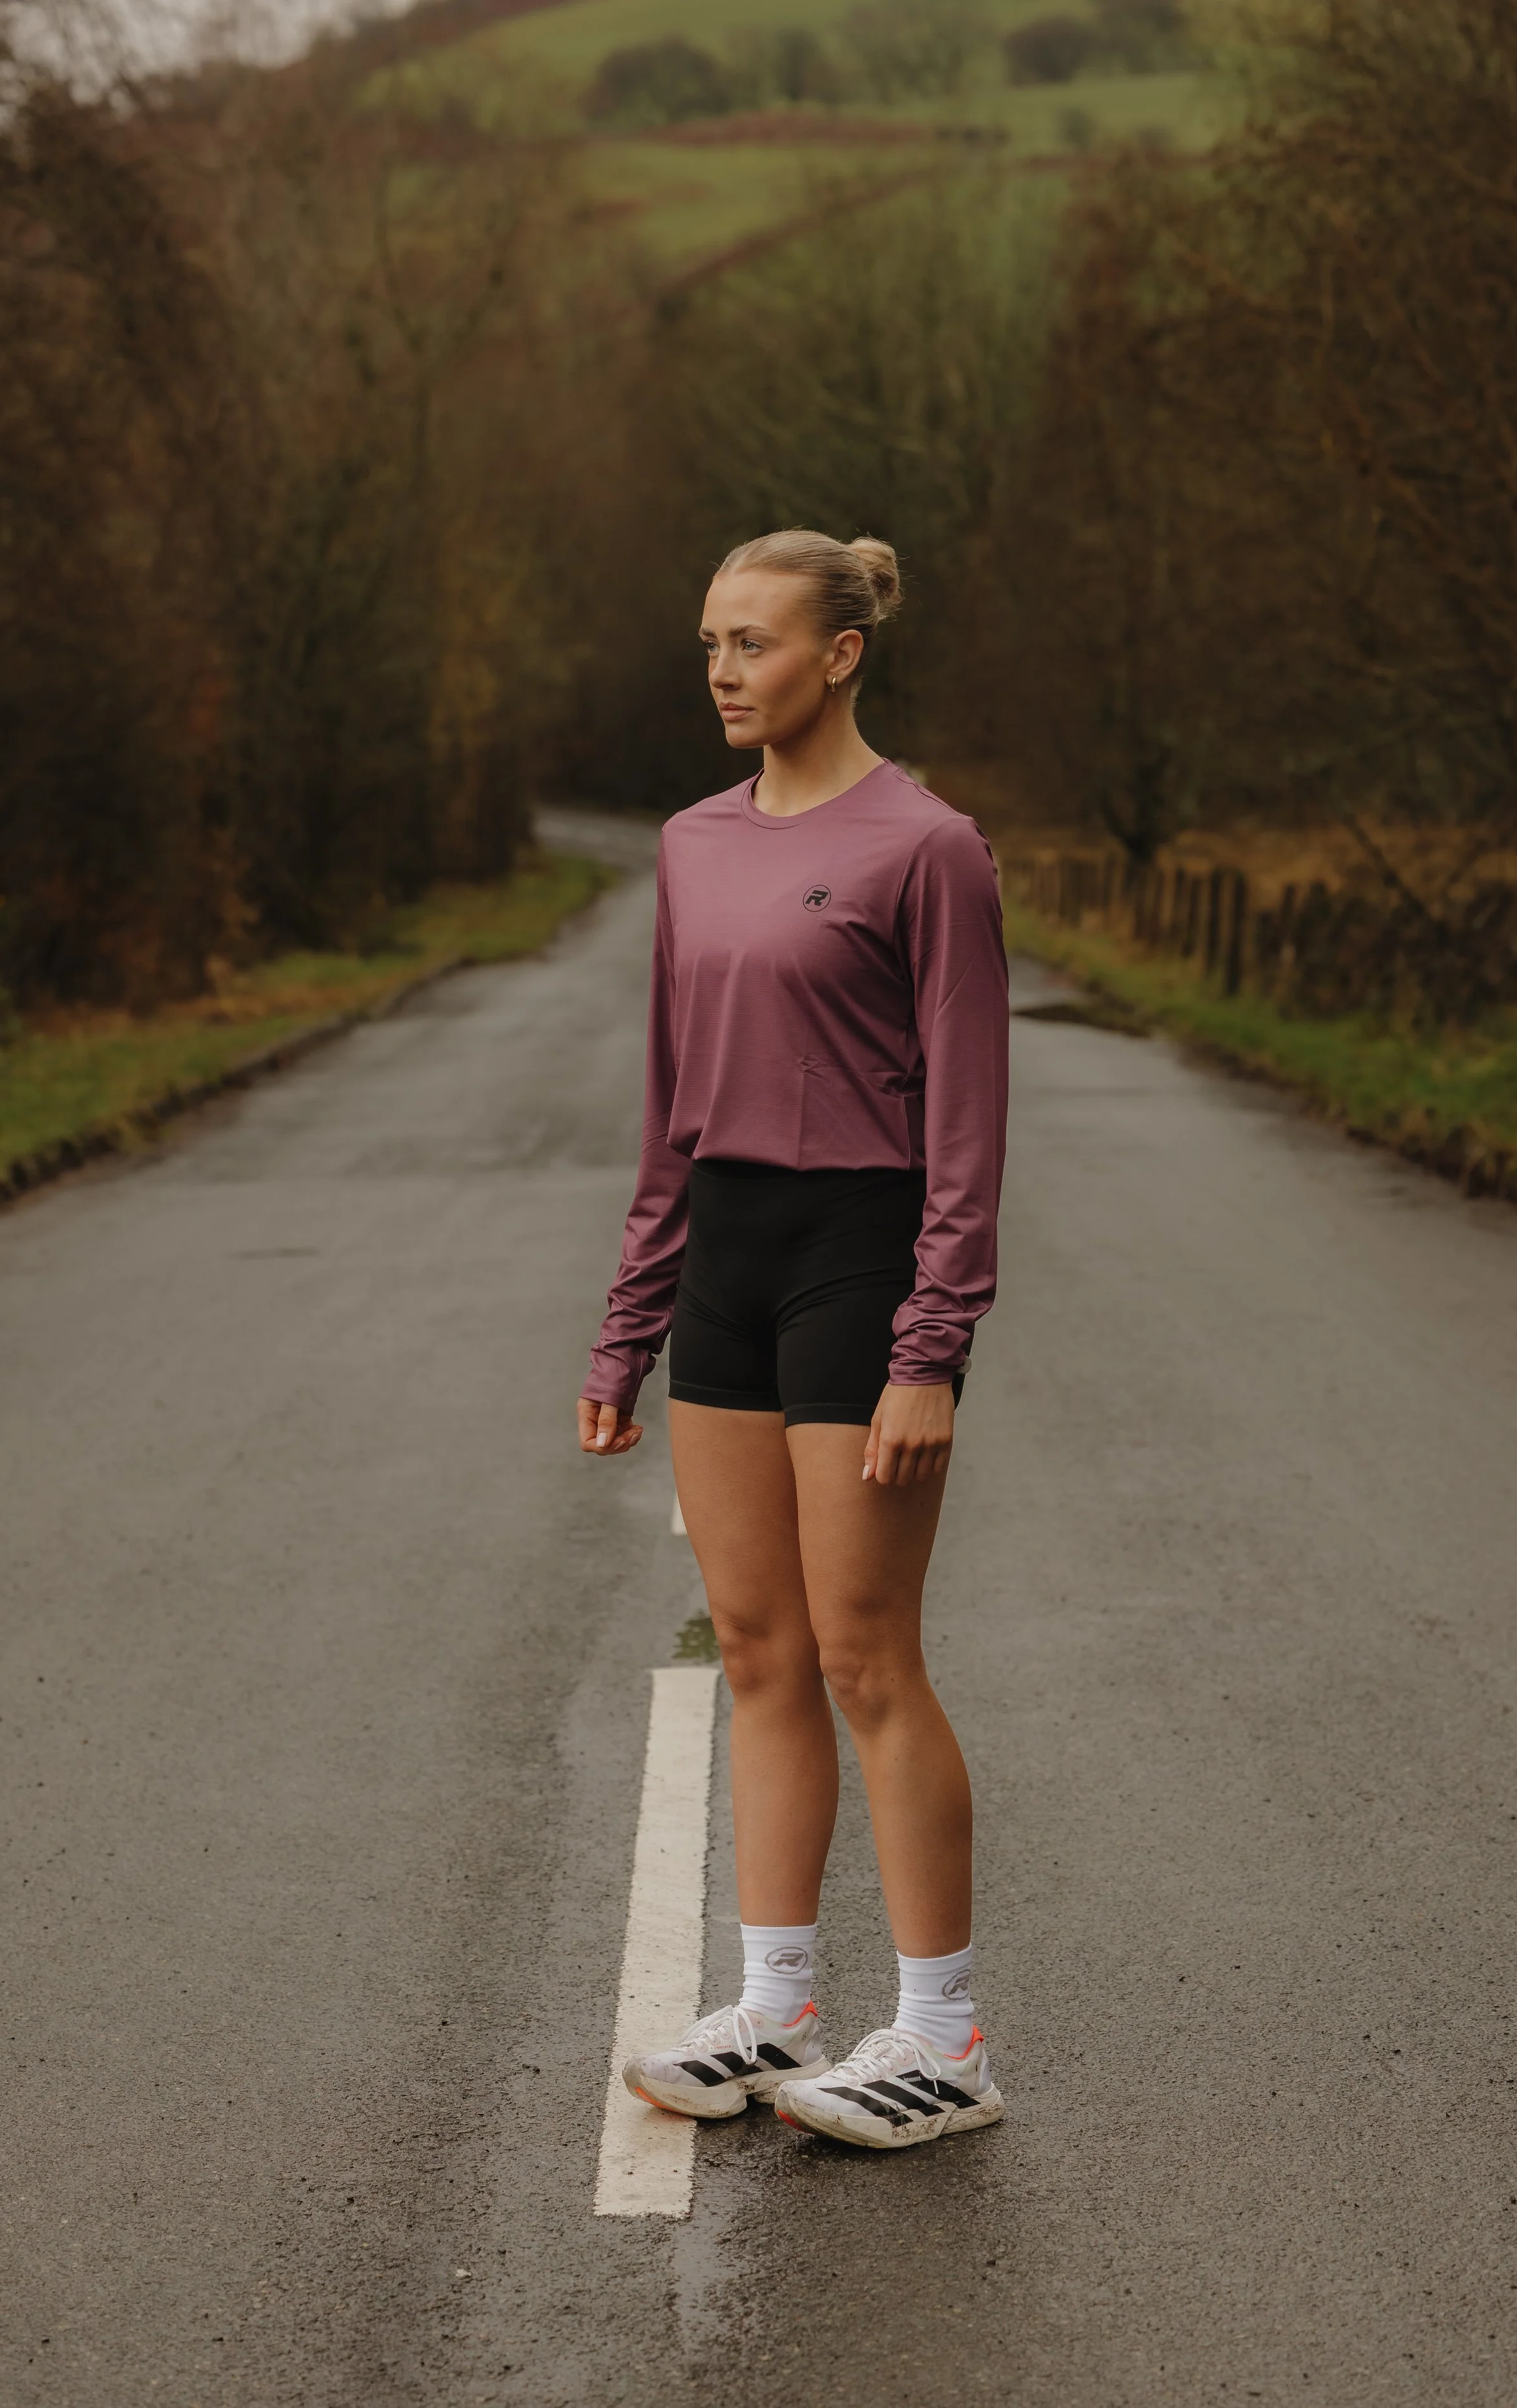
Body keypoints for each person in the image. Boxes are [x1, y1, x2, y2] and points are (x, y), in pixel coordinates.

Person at [576, 528, 1009, 2151]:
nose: (720, 669)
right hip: (726, 1265)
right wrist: (626, 1329)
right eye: (706, 643)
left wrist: (928, 1340)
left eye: (750, 642)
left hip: (859, 1255)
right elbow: (666, 1114)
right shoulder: (689, 846)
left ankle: (947, 2040)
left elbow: (967, 1126)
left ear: (840, 653)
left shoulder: (927, 848)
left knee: (863, 1657)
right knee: (754, 1650)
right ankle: (771, 2007)